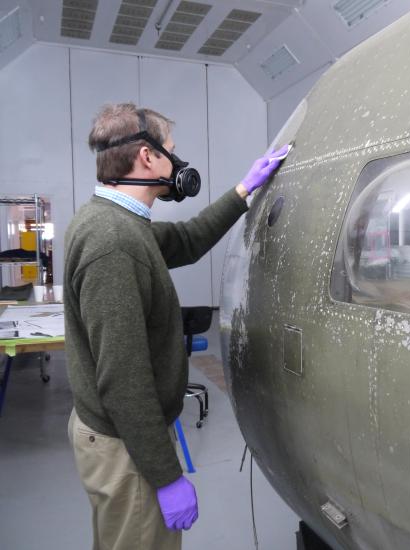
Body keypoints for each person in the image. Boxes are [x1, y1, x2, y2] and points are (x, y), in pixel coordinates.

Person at [63, 102, 289, 550]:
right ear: (147, 158)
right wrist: (166, 478)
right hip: (124, 444)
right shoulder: (113, 243)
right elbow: (123, 382)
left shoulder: (117, 221)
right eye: (170, 151)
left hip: (121, 435)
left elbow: (187, 239)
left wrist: (244, 190)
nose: (177, 163)